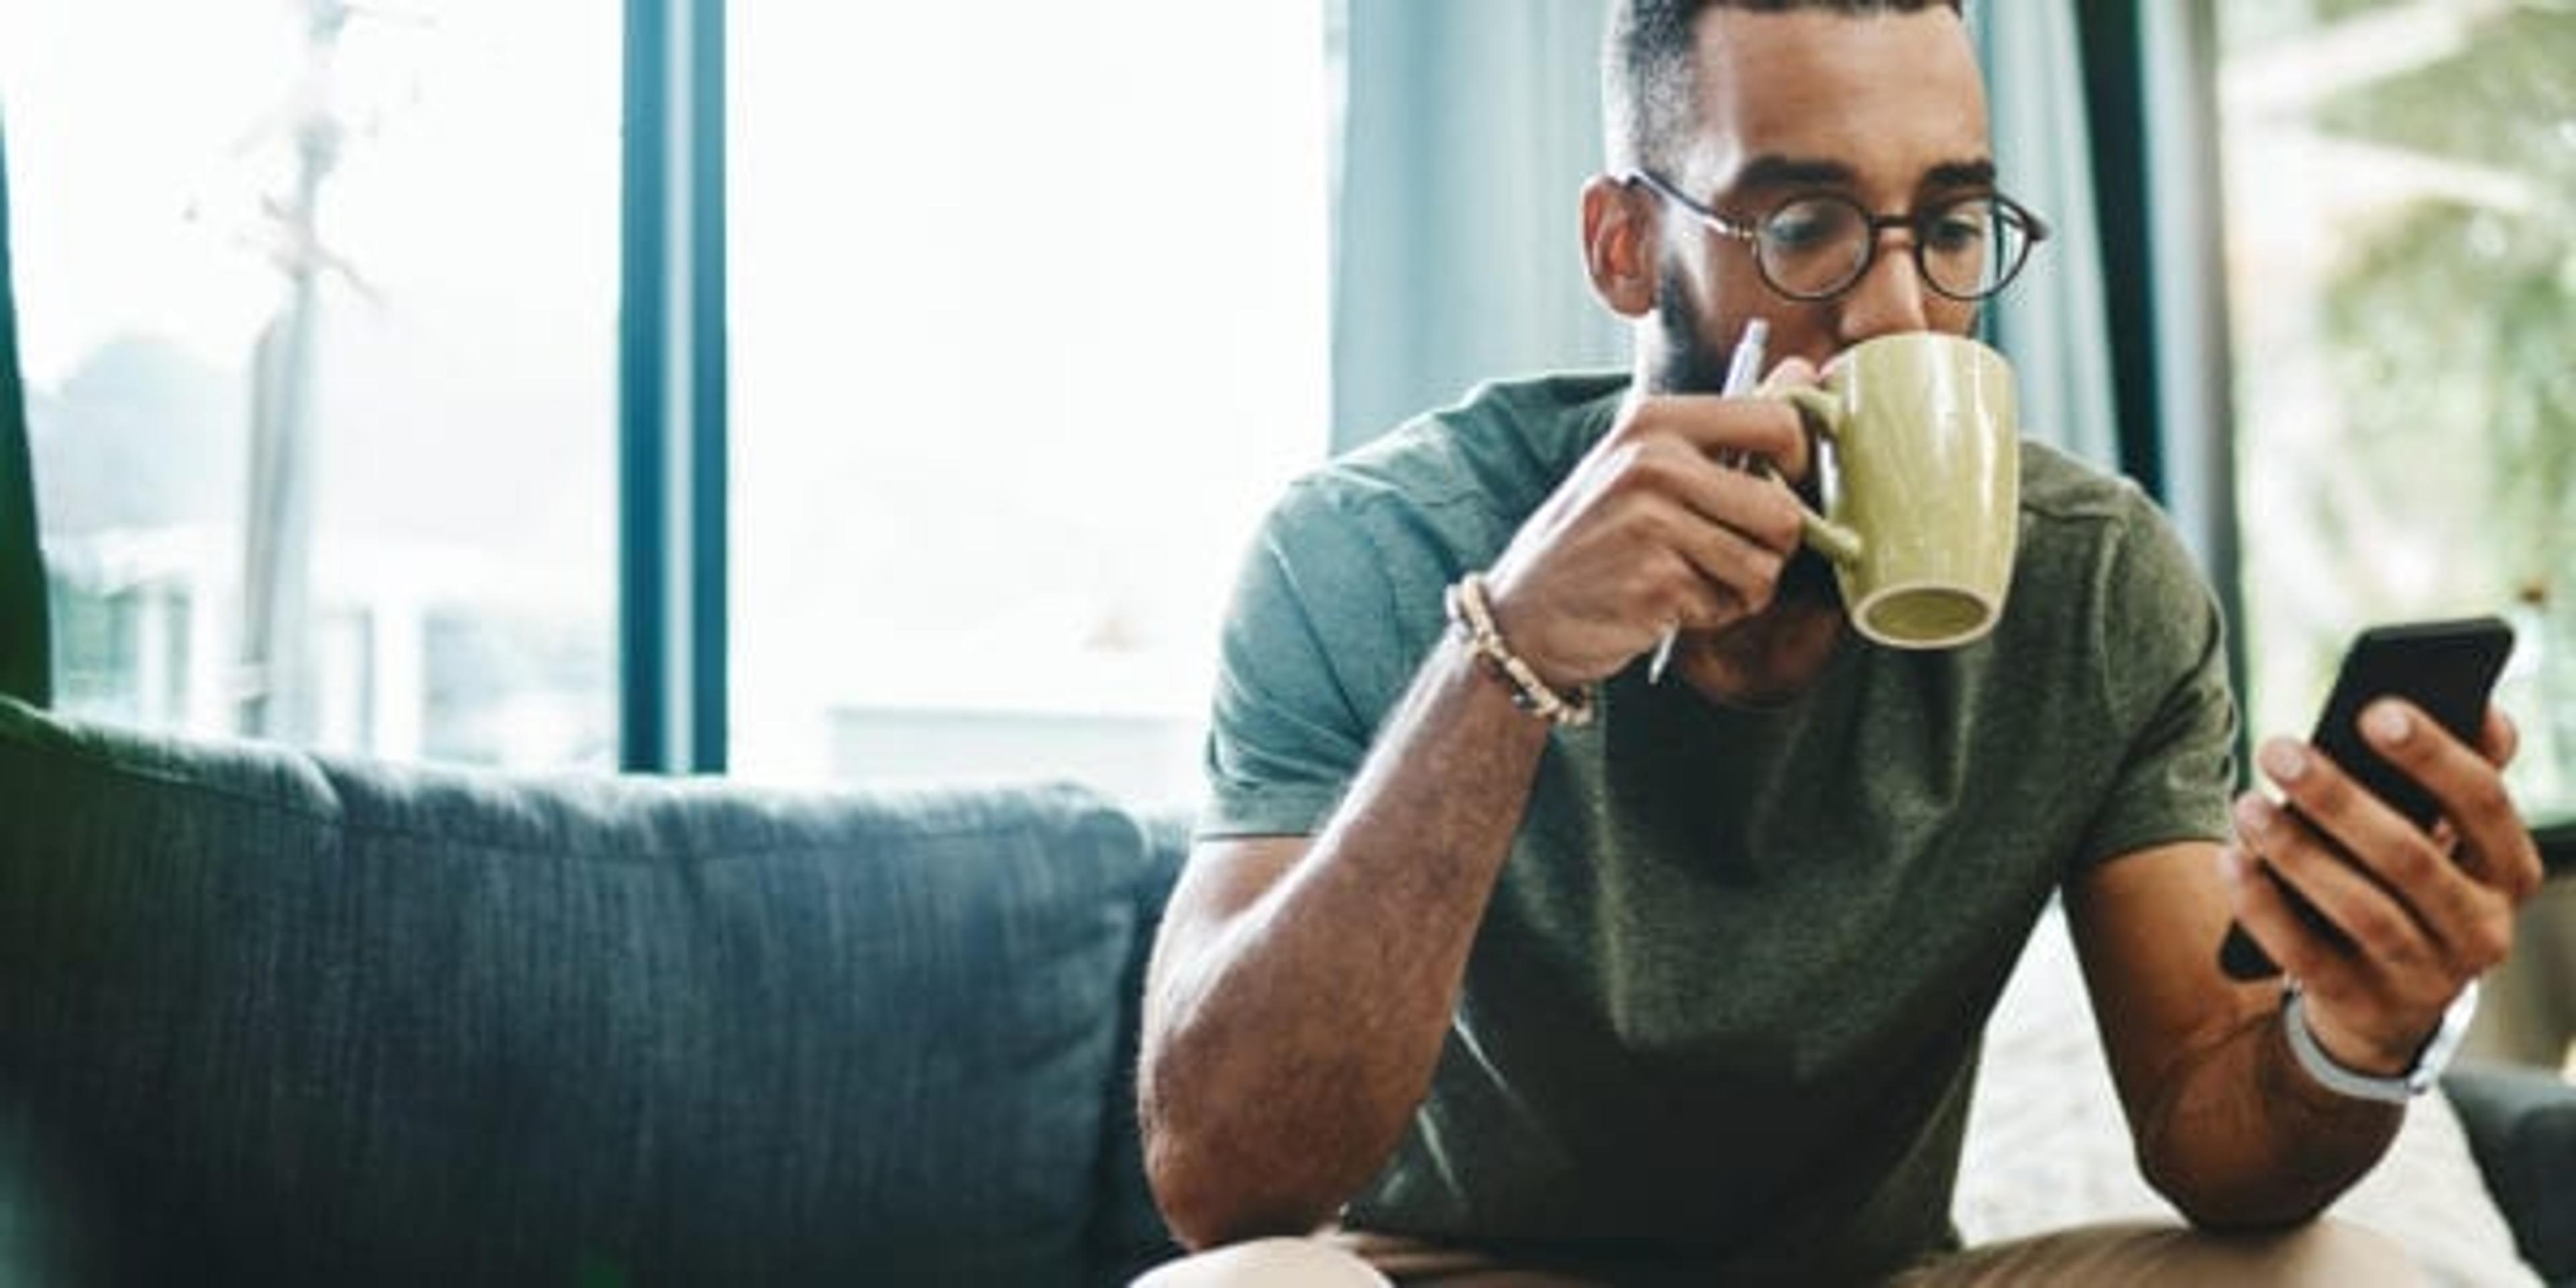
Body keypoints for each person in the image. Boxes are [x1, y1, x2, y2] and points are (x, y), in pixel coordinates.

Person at [1133, 1, 2548, 1283]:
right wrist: (1506, 657)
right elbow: (1225, 1180)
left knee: (2343, 1276)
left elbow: (2207, 1129)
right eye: (1802, 225)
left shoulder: (2094, 586)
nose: (1894, 316)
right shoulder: (1367, 549)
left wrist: (2355, 1036)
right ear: (1628, 246)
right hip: (1454, 1269)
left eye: (1947, 227)